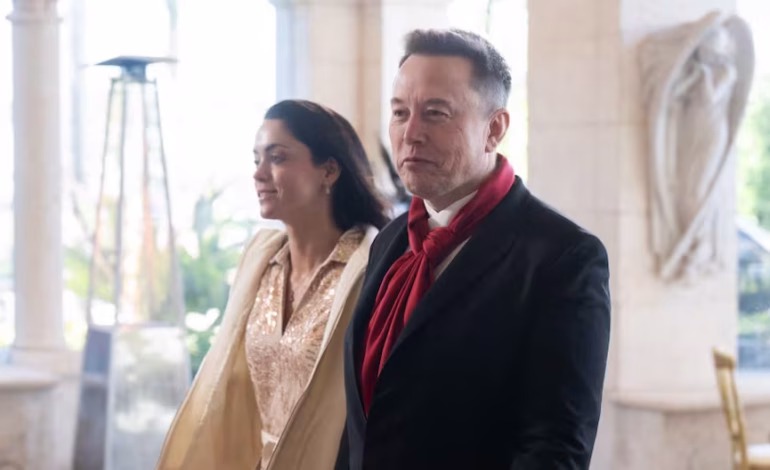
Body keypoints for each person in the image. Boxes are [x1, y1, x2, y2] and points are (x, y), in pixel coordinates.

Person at [336, 29, 611, 470]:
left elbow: (555, 450)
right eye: (400, 112)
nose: (410, 134)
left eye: (436, 113)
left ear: (494, 128)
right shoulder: (390, 241)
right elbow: (363, 425)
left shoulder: (563, 257)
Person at [156, 99, 389, 470]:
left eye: (277, 158)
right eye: (256, 160)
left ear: (329, 171)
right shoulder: (261, 262)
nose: (259, 174)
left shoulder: (368, 269)